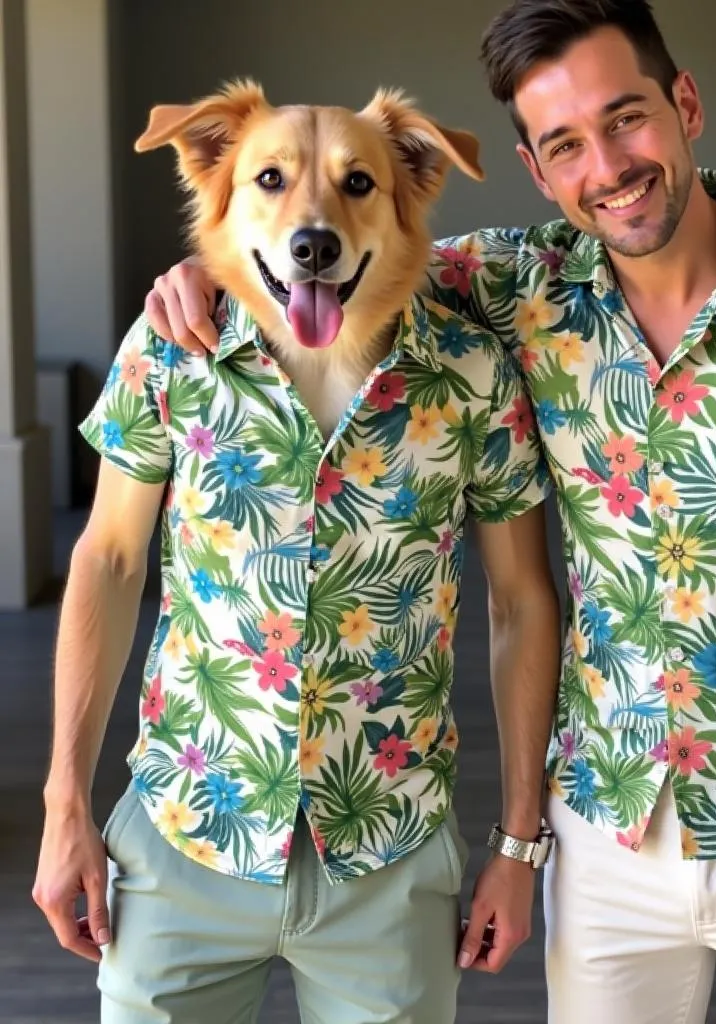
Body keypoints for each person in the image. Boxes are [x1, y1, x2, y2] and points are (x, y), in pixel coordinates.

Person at [142, 2, 716, 1022]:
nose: (608, 164)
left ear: (685, 104)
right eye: (567, 143)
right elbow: (320, 254)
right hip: (604, 842)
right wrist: (198, 277)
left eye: (626, 119)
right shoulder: (513, 286)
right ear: (537, 168)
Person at [32, 90, 563, 1022]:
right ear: (222, 195)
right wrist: (64, 805)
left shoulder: (472, 375)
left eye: (355, 186)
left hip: (388, 852)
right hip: (186, 834)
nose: (311, 223)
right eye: (271, 183)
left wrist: (519, 847)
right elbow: (109, 564)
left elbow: (521, 602)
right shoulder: (169, 355)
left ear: (406, 202)